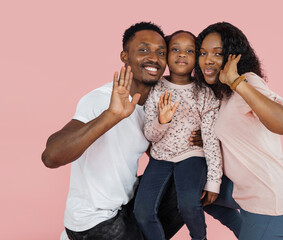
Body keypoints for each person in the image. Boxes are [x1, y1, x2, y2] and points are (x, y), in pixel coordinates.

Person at [41, 22, 187, 240]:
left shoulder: (153, 106)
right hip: (94, 221)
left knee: (190, 177)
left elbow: (161, 158)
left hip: (126, 206)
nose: (153, 58)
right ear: (125, 56)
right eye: (143, 50)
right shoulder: (101, 99)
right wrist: (111, 116)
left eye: (161, 52)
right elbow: (51, 157)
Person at [194, 22, 283, 240]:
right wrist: (209, 140)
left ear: (233, 58)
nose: (208, 60)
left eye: (217, 53)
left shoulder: (247, 82)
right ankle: (247, 231)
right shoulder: (225, 95)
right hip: (249, 192)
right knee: (197, 191)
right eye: (203, 53)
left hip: (271, 202)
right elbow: (238, 135)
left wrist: (237, 81)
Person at [133, 30, 222, 240]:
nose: (182, 55)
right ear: (166, 55)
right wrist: (162, 121)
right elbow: (150, 136)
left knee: (189, 205)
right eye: (175, 49)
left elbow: (210, 140)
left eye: (189, 51)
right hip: (160, 158)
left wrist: (213, 182)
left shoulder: (204, 93)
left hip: (192, 156)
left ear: (197, 58)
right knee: (142, 211)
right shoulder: (156, 88)